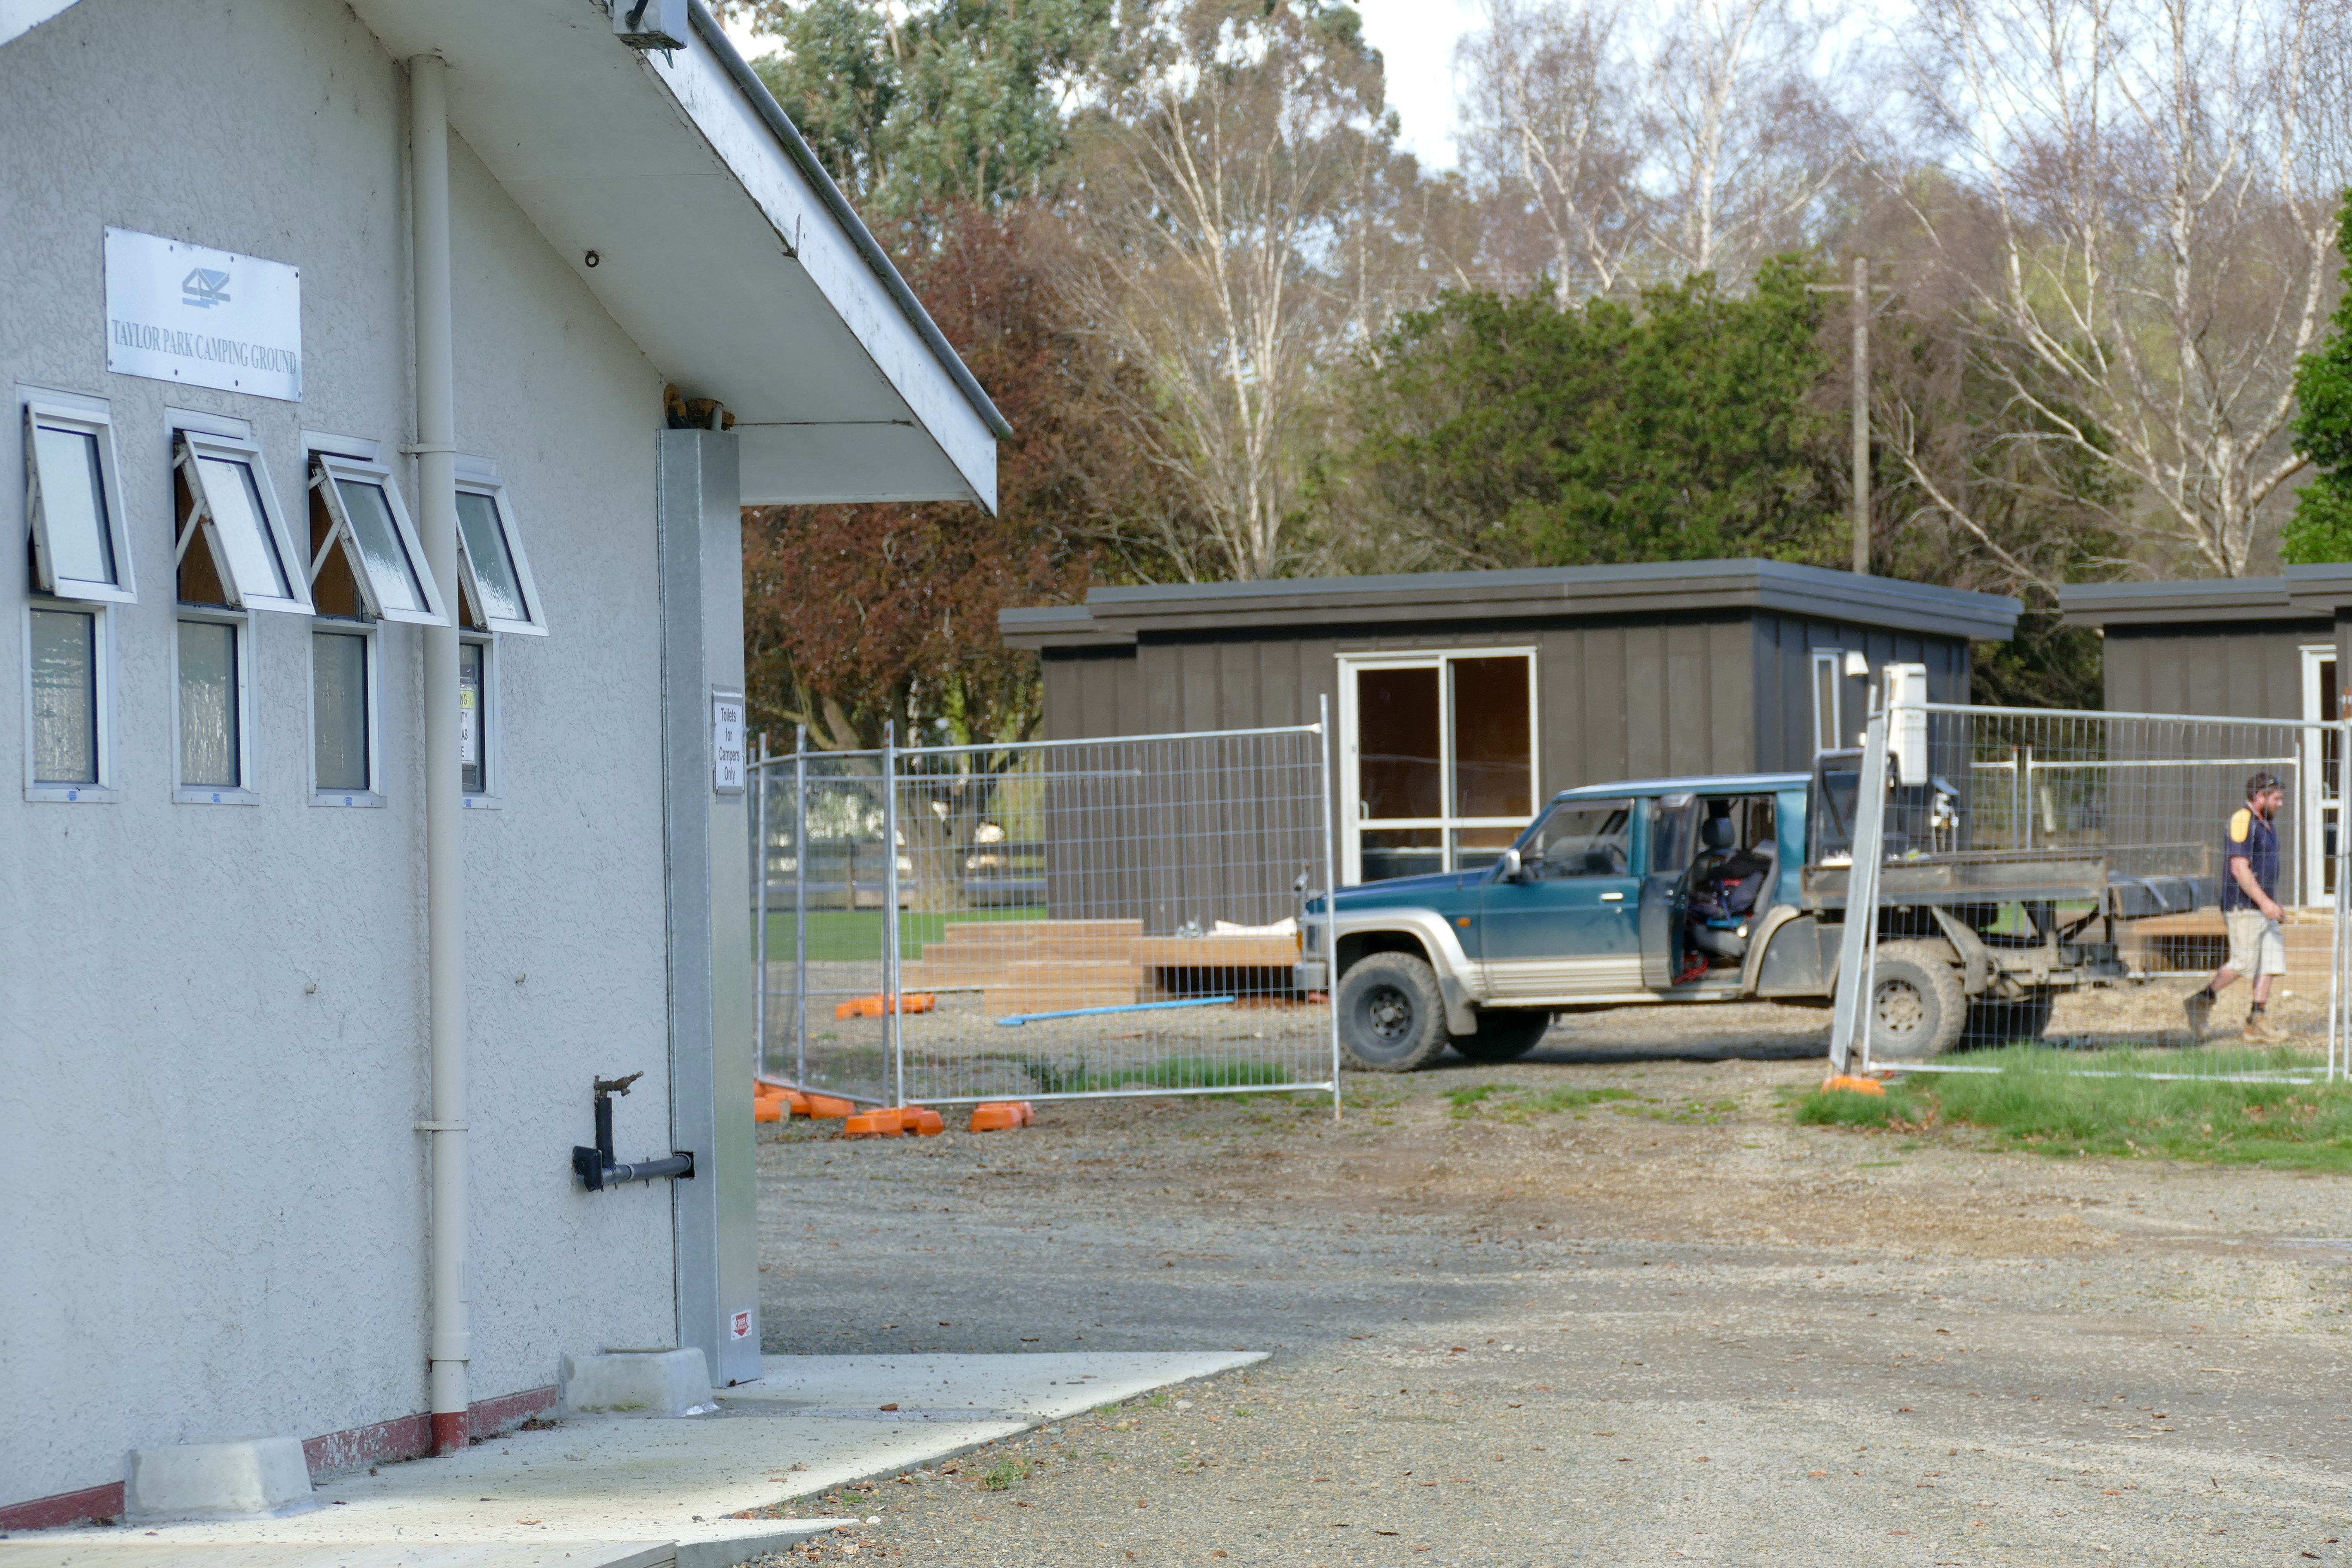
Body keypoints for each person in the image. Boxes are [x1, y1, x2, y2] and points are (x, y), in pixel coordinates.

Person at [2184, 772, 2290, 1043]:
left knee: (2272, 960)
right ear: (2260, 797)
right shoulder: (2243, 821)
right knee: (2244, 964)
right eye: (2277, 798)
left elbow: (2263, 871)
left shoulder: (2266, 824)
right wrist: (2265, 902)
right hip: (2244, 908)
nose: (2281, 804)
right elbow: (2239, 869)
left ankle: (2257, 1019)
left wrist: (2273, 903)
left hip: (2263, 908)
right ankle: (2201, 1000)